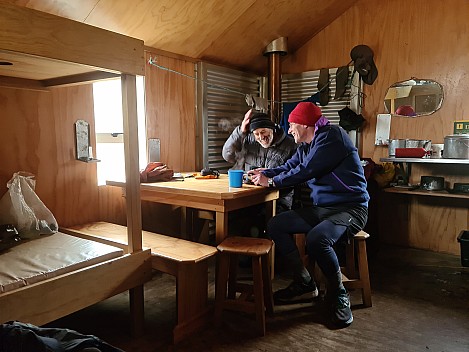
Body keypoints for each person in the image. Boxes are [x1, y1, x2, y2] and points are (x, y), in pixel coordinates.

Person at [250, 102, 369, 327]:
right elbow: (290, 165)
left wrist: (273, 181)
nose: (290, 129)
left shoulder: (333, 136)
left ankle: (338, 293)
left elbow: (308, 170)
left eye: (292, 124)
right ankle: (305, 283)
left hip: (350, 208)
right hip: (322, 209)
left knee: (317, 239)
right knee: (276, 224)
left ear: (305, 124)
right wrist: (265, 172)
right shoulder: (305, 145)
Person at [222, 109, 297, 215]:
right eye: (256, 134)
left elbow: (298, 176)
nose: (261, 137)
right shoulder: (248, 140)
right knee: (231, 215)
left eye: (263, 132)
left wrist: (272, 175)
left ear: (272, 129)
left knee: (267, 219)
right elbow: (227, 155)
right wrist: (240, 132)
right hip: (250, 198)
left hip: (279, 199)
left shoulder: (291, 145)